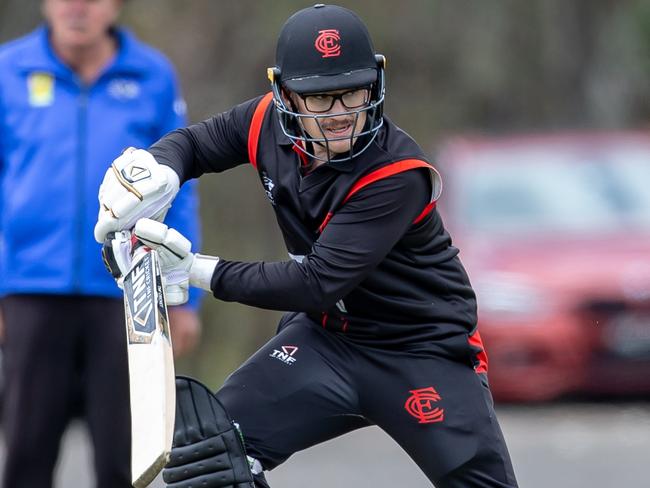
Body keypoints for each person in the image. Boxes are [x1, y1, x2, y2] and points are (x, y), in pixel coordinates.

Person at [97, 4, 518, 487]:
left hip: (420, 351)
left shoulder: (396, 175)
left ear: (375, 83)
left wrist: (192, 270)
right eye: (320, 99)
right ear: (285, 94)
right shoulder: (263, 122)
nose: (340, 114)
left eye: (351, 92)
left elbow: (314, 283)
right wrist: (157, 171)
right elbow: (193, 144)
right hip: (328, 341)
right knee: (211, 458)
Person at [0, 0, 202, 487]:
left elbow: (183, 188)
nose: (77, 7)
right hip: (29, 289)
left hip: (128, 292)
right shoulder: (8, 70)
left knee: (124, 457)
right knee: (26, 451)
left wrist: (186, 297)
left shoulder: (153, 75)